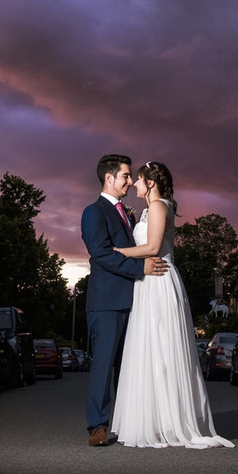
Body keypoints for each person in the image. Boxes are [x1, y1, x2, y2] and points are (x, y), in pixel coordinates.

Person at [109, 161, 233, 449]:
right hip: (147, 282)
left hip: (159, 282)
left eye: (138, 180)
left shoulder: (159, 207)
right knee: (148, 349)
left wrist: (117, 251)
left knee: (163, 349)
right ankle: (151, 418)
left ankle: (170, 420)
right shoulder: (150, 209)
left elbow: (153, 248)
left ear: (150, 183)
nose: (135, 185)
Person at [81, 154, 168, 447]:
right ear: (109, 178)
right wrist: (139, 268)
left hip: (135, 301)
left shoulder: (127, 213)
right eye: (125, 176)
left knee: (129, 367)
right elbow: (101, 253)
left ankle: (129, 423)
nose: (130, 182)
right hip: (106, 302)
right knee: (104, 366)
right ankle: (97, 426)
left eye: (131, 177)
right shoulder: (93, 212)